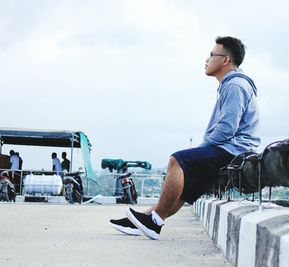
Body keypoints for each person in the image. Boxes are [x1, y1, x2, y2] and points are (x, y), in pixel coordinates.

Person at [109, 36, 260, 240]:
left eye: (212, 54)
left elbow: (226, 129)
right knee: (185, 188)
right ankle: (141, 223)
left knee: (177, 160)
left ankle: (154, 223)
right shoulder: (230, 85)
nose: (206, 59)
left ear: (225, 60)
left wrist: (202, 148)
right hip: (233, 150)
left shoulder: (235, 86)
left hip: (233, 151)